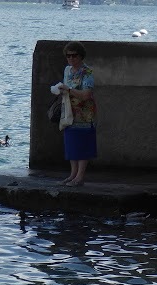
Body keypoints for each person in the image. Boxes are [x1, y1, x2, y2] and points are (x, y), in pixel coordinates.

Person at [59, 41, 96, 186]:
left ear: (81, 56)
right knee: (71, 143)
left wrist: (68, 90)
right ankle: (73, 174)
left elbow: (86, 94)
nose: (71, 58)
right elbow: (66, 87)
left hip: (84, 114)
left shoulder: (87, 72)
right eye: (68, 56)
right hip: (69, 112)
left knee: (83, 144)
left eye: (74, 55)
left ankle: (80, 176)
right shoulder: (67, 70)